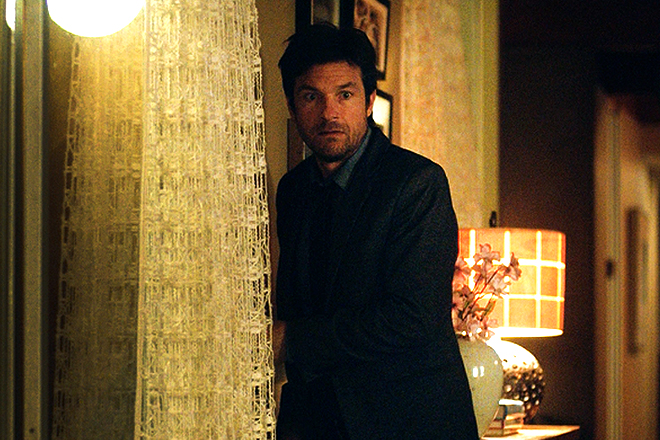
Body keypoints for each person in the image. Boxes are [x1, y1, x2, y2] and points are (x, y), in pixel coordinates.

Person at [274, 23, 479, 440]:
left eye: (345, 95)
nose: (329, 113)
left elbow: (413, 317)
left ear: (368, 102)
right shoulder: (292, 189)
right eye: (311, 96)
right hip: (315, 419)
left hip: (408, 420)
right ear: (292, 106)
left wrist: (292, 339)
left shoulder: (417, 182)